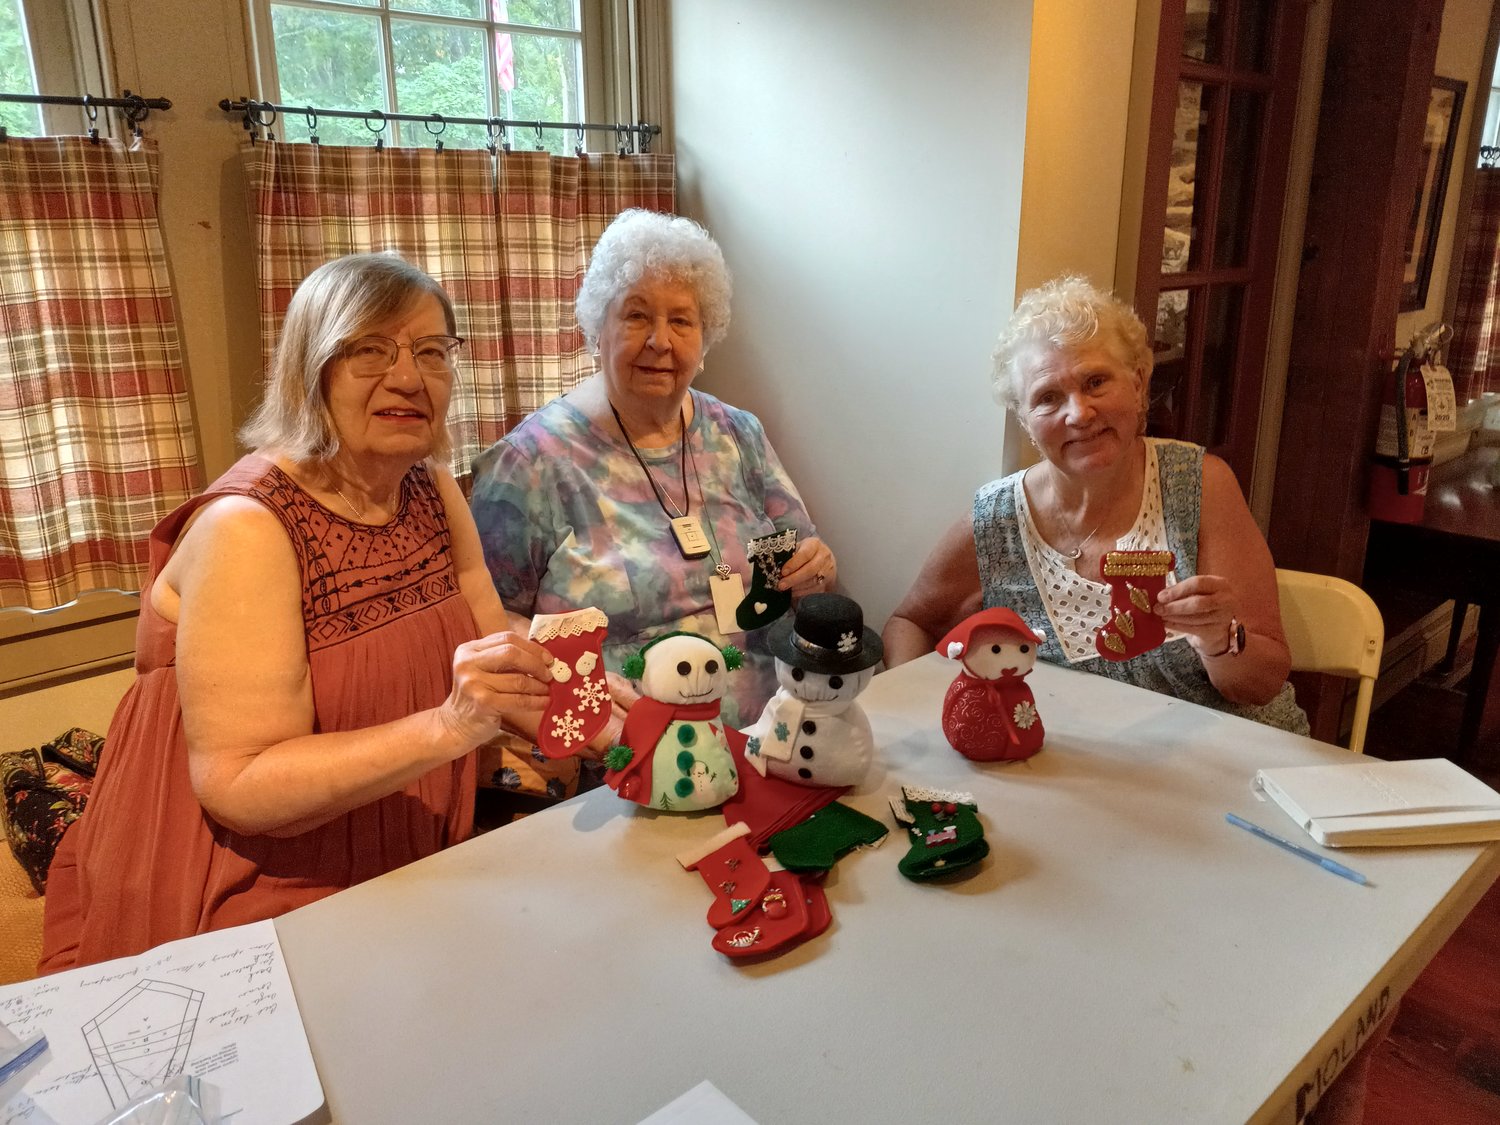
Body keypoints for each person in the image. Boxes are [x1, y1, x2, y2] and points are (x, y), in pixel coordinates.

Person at [40, 254, 563, 972]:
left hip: (399, 837)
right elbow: (240, 782)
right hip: (248, 876)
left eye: (433, 352)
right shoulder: (247, 529)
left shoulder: (428, 487)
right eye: (370, 349)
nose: (409, 377)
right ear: (310, 368)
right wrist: (450, 725)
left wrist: (588, 690)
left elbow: (490, 629)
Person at [470, 209, 836, 802]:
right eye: (636, 314)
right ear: (598, 327)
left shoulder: (738, 434)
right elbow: (485, 620)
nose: (660, 341)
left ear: (705, 334)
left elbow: (804, 561)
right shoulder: (532, 462)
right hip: (617, 762)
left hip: (761, 745)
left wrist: (816, 571)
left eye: (682, 320)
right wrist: (585, 694)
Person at [883, 275, 1308, 734]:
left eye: (1096, 382)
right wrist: (925, 714)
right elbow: (911, 621)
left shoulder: (1201, 485)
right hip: (1079, 768)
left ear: (1140, 383)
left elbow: (1259, 685)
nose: (1079, 413)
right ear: (1025, 420)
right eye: (1047, 398)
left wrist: (1218, 639)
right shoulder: (999, 519)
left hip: (1226, 754)